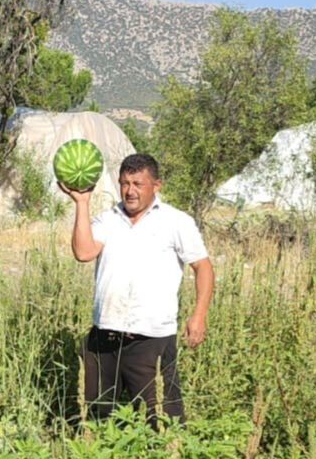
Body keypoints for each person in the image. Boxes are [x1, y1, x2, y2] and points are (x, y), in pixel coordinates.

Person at [59, 152, 213, 427]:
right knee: (99, 416)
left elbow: (203, 267)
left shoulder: (176, 222)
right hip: (104, 335)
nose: (130, 191)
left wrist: (198, 315)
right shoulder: (107, 220)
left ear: (156, 185)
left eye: (138, 184)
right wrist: (82, 202)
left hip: (151, 338)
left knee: (161, 419)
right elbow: (83, 253)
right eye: (124, 183)